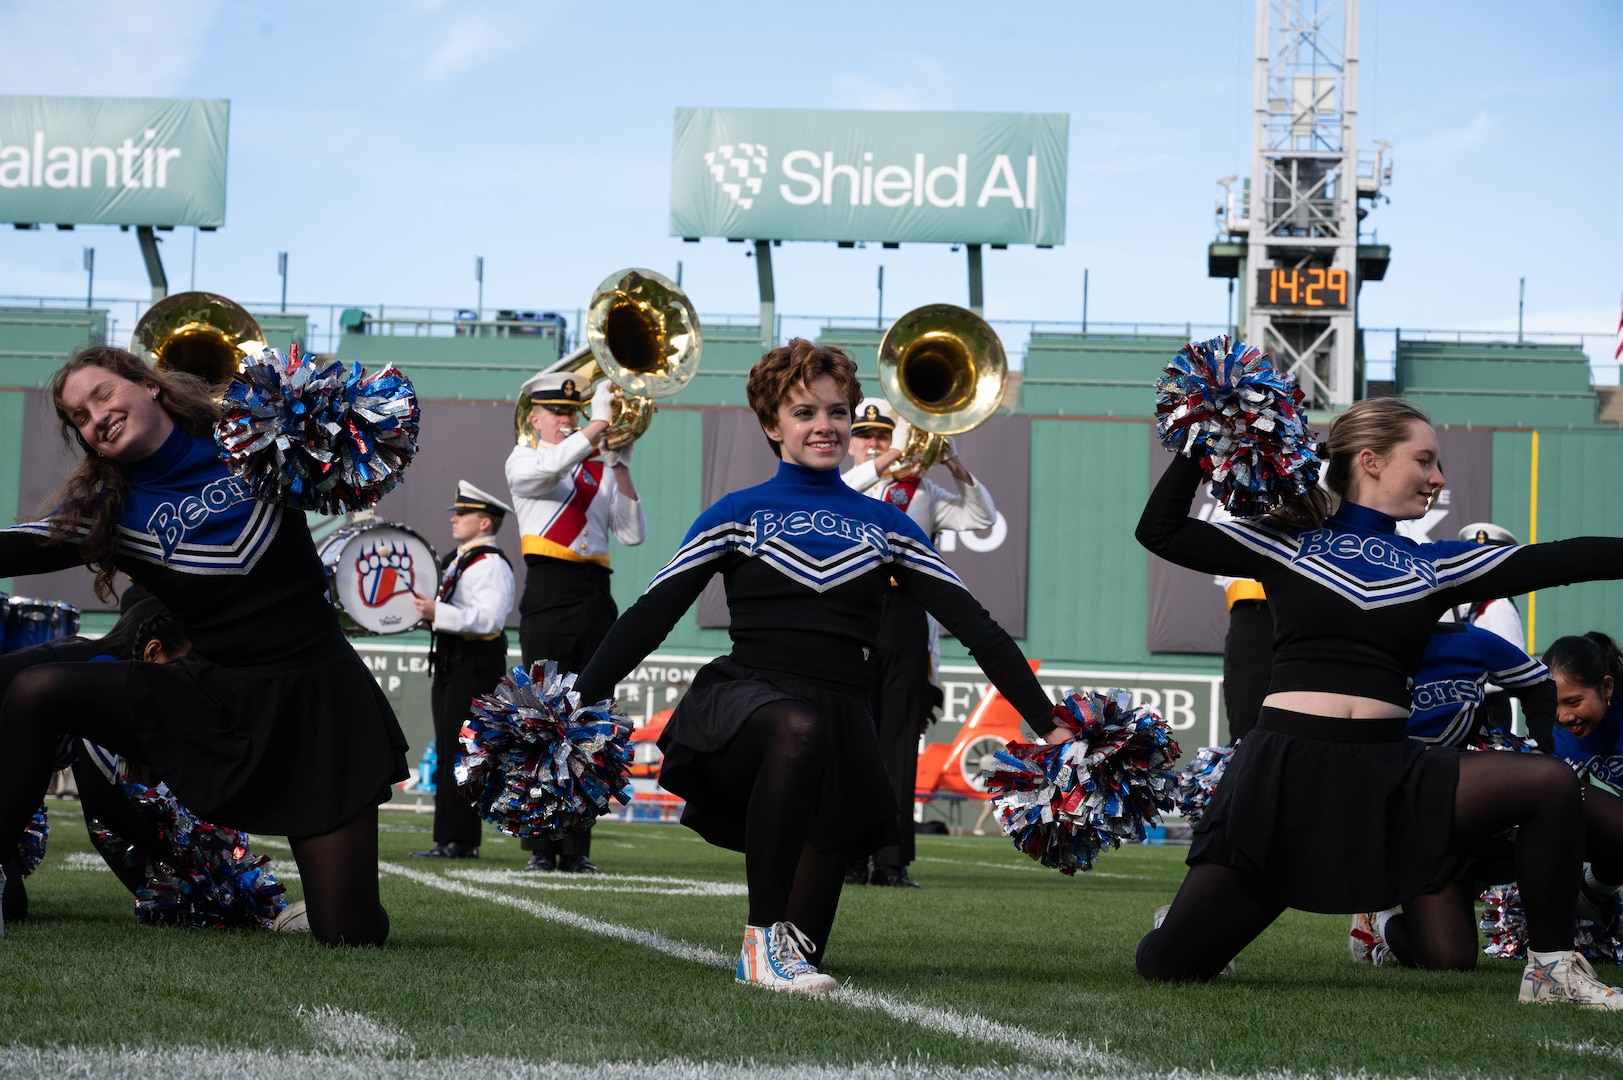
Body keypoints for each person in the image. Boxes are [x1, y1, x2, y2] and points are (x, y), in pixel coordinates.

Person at [572, 338, 1057, 994]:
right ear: (772, 425)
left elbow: (978, 628)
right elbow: (649, 615)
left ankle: (782, 942)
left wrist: (1048, 722)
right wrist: (577, 698)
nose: (824, 426)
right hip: (749, 704)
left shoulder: (887, 526)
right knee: (795, 729)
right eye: (803, 413)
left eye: (837, 412)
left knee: (810, 946)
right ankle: (758, 940)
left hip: (843, 719)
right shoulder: (735, 514)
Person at [1135, 394, 1623, 1006]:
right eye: (1424, 460)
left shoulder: (1434, 566)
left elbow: (1557, 560)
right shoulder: (1286, 543)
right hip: (1287, 777)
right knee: (1169, 968)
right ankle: (1175, 923)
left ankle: (1553, 974)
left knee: (1551, 785)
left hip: (1391, 776)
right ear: (1369, 461)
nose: (1438, 478)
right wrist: (1201, 440)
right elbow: (1160, 531)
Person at [0, 346, 408, 946]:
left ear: (150, 386)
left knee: (349, 935)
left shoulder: (258, 442)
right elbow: (12, 548)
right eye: (80, 418)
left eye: (103, 395)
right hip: (215, 697)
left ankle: (332, 908)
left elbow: (373, 430)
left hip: (316, 704)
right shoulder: (106, 511)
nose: (97, 418)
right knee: (37, 689)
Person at [839, 397, 997, 888]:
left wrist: (951, 460)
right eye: (864, 436)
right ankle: (846, 858)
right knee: (850, 742)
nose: (872, 443)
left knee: (898, 747)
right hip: (856, 616)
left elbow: (983, 519)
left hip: (906, 618)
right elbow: (851, 483)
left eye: (882, 435)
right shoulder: (845, 486)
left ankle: (890, 861)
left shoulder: (924, 492)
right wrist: (888, 460)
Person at [1348, 621, 1556, 967]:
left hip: (1470, 799)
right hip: (1408, 817)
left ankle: (1559, 948)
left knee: (1560, 796)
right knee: (1447, 961)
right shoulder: (1361, 645)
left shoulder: (1469, 640)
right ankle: (1377, 918)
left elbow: (1540, 682)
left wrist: (1540, 746)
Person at [506, 370, 645, 874]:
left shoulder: (595, 468)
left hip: (595, 596)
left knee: (590, 725)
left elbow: (632, 534)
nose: (567, 419)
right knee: (544, 721)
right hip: (548, 593)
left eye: (573, 411)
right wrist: (596, 428)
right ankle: (542, 847)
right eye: (557, 412)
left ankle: (577, 848)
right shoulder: (525, 460)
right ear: (535, 417)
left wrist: (620, 465)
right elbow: (543, 472)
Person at [410, 481, 516, 860]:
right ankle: (447, 838)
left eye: (464, 513)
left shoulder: (490, 565)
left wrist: (437, 612)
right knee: (447, 749)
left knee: (464, 752)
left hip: (474, 663)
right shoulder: (461, 559)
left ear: (485, 523)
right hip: (453, 660)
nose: (455, 519)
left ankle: (461, 839)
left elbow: (489, 621)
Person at [1542, 631, 1623, 928]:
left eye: (1574, 702)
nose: (1563, 716)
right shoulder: (1560, 735)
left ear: (1606, 687)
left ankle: (1589, 895)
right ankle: (1587, 897)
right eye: (1556, 704)